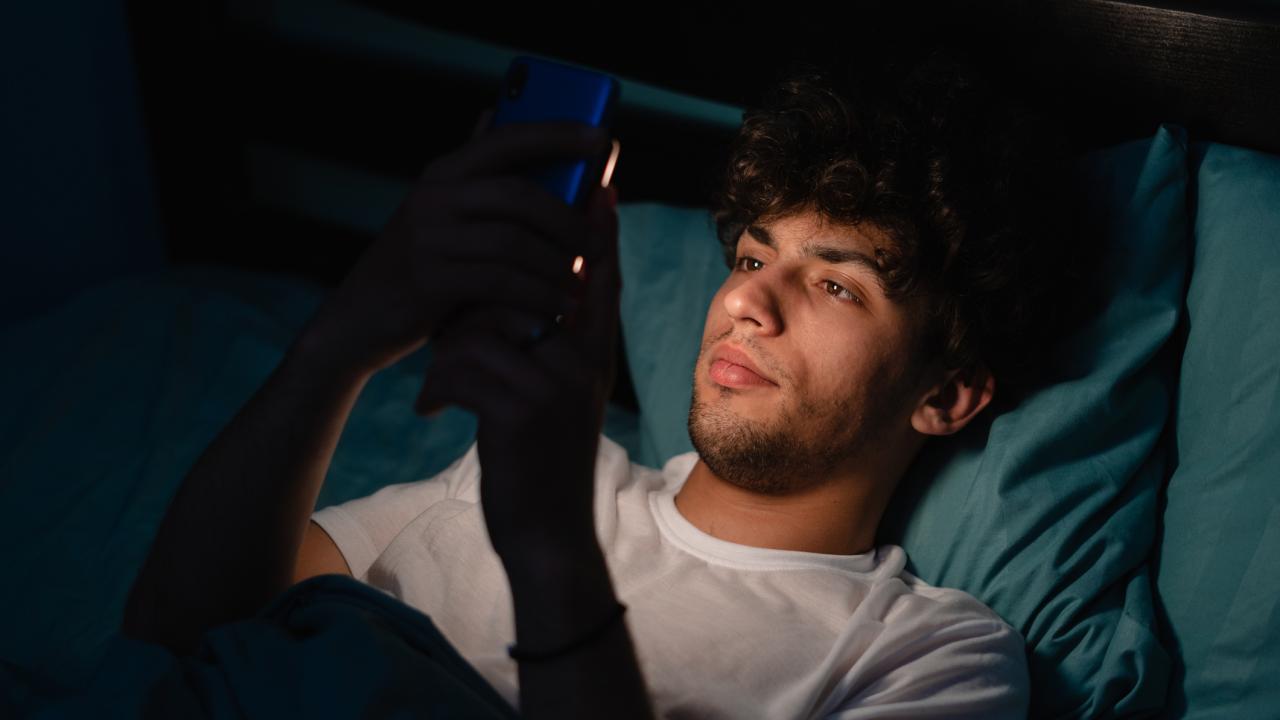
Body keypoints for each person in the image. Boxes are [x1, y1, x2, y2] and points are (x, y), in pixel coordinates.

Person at [123, 51, 1080, 718]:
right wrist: (342, 343)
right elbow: (177, 636)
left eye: (834, 284)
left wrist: (548, 545)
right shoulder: (522, 472)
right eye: (751, 257)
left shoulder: (929, 657)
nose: (751, 303)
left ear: (947, 395)